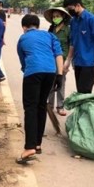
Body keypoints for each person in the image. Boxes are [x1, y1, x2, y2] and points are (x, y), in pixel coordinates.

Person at [16, 14, 64, 164]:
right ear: (37, 25)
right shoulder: (50, 36)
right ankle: (37, 144)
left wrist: (29, 71)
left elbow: (23, 62)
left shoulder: (22, 39)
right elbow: (58, 55)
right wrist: (59, 75)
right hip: (51, 72)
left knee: (30, 108)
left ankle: (29, 147)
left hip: (33, 73)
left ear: (24, 27)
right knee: (41, 106)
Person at [62, 0, 94, 93]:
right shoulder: (73, 21)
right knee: (80, 91)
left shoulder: (92, 20)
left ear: (78, 5)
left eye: (70, 8)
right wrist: (68, 60)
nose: (70, 11)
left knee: (85, 92)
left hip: (89, 63)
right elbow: (73, 42)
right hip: (78, 63)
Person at [43, 7, 72, 116]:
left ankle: (60, 106)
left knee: (61, 82)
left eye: (58, 16)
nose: (55, 18)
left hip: (63, 59)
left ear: (63, 17)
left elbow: (70, 46)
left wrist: (67, 61)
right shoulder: (51, 30)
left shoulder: (68, 30)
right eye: (54, 17)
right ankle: (50, 105)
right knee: (50, 82)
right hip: (51, 59)